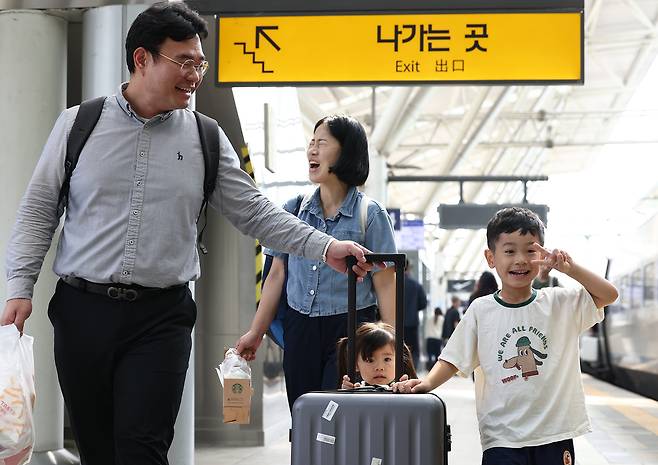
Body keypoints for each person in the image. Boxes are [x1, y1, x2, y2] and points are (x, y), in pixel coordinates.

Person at [1, 4, 378, 465]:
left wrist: (325, 245)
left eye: (199, 63)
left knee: (143, 447)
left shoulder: (205, 136)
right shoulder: (79, 124)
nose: (195, 74)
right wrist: (19, 288)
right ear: (142, 59)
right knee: (98, 448)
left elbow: (255, 211)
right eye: (184, 61)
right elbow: (38, 211)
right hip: (83, 312)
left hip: (161, 318)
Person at [393, 207, 619, 465]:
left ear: (542, 255)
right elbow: (454, 357)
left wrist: (570, 269)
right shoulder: (481, 309)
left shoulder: (560, 303)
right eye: (509, 251)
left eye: (530, 250)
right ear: (491, 257)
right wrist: (428, 383)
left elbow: (609, 295)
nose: (520, 259)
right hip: (502, 436)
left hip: (553, 434)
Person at [236, 115, 397, 410]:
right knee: (303, 414)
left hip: (352, 327)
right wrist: (255, 332)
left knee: (338, 416)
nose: (312, 150)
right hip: (300, 328)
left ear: (346, 151)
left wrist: (393, 345)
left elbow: (385, 284)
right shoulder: (293, 210)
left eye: (322, 143)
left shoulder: (370, 215)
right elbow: (275, 276)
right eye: (311, 142)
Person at [337, 322, 417, 389]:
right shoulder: (356, 391)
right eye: (370, 360)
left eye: (387, 359)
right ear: (356, 364)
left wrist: (407, 393)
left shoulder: (403, 389)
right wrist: (347, 395)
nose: (379, 367)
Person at [403, 259, 427, 368]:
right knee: (412, 350)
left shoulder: (390, 284)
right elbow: (423, 303)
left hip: (394, 323)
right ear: (408, 267)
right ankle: (412, 372)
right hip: (412, 323)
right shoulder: (415, 285)